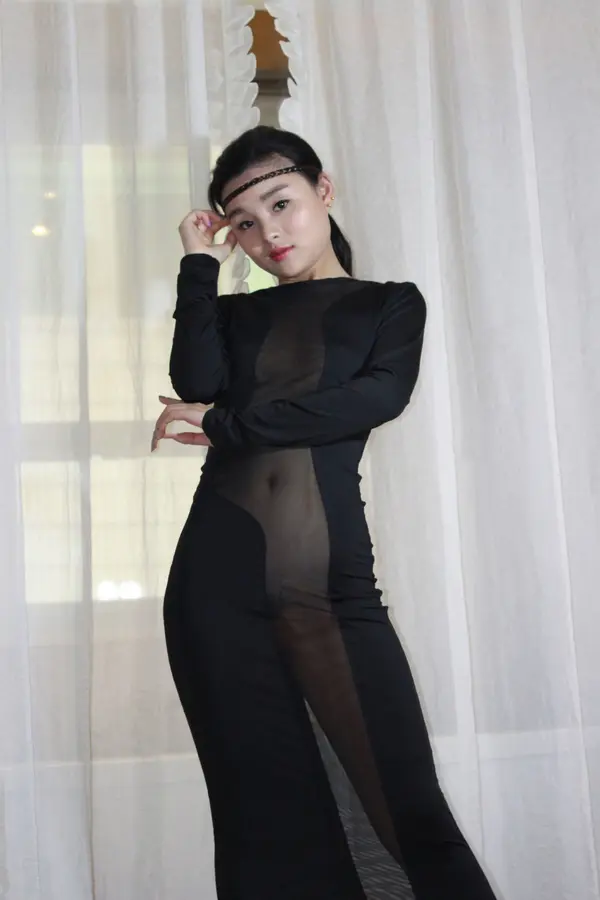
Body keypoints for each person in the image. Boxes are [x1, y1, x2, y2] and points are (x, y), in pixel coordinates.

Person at [152, 125, 498, 900]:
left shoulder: (389, 306)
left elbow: (371, 400)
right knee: (262, 824)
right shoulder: (234, 317)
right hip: (215, 589)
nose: (269, 233)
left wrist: (228, 426)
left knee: (410, 813)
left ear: (324, 190)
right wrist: (199, 262)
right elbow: (196, 378)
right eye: (244, 222)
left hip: (328, 586)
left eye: (282, 204)